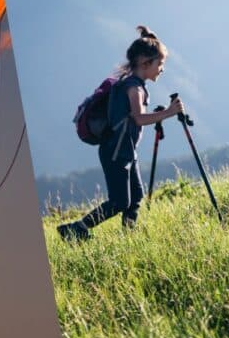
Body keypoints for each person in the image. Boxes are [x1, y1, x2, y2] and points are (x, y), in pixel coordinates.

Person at [58, 26, 184, 241]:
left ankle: (129, 238)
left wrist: (160, 114)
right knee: (119, 201)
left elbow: (133, 117)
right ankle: (76, 229)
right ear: (145, 63)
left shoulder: (134, 84)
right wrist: (169, 113)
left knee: (135, 197)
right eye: (159, 64)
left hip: (124, 150)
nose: (161, 69)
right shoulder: (133, 88)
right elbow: (138, 118)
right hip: (115, 152)